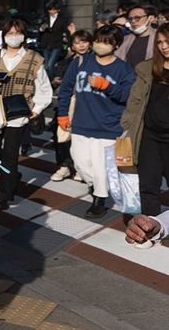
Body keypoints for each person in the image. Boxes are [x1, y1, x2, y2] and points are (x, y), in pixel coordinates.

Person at [57, 25, 136, 218]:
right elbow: (66, 88)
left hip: (108, 126)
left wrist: (106, 86)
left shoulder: (123, 69)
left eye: (106, 42)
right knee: (81, 164)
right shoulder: (81, 62)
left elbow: (127, 96)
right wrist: (62, 114)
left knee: (101, 166)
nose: (101, 45)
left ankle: (99, 199)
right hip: (81, 123)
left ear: (116, 45)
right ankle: (99, 185)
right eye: (98, 41)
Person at [0, 18, 53, 211]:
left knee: (10, 156)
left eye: (18, 33)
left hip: (18, 115)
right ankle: (11, 175)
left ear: (24, 36)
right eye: (10, 33)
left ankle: (3, 196)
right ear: (4, 35)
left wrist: (37, 109)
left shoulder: (34, 59)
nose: (14, 37)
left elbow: (44, 88)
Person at [120, 26, 169, 228]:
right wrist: (127, 125)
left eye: (167, 41)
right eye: (160, 42)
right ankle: (150, 228)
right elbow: (135, 100)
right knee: (148, 185)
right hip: (149, 136)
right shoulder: (147, 68)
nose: (164, 46)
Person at [51, 30, 93, 182]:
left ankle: (82, 168)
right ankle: (66, 165)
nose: (81, 45)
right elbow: (64, 87)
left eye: (84, 41)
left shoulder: (95, 60)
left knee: (84, 138)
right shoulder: (68, 61)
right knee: (63, 136)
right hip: (70, 102)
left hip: (88, 103)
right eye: (77, 42)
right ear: (72, 46)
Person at [40, 4, 69, 75]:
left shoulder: (62, 19)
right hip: (46, 44)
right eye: (50, 10)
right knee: (46, 66)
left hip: (57, 44)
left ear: (58, 10)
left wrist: (68, 44)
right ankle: (50, 79)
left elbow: (66, 31)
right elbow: (40, 30)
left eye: (54, 9)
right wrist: (42, 28)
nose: (52, 11)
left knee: (50, 64)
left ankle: (52, 79)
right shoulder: (45, 18)